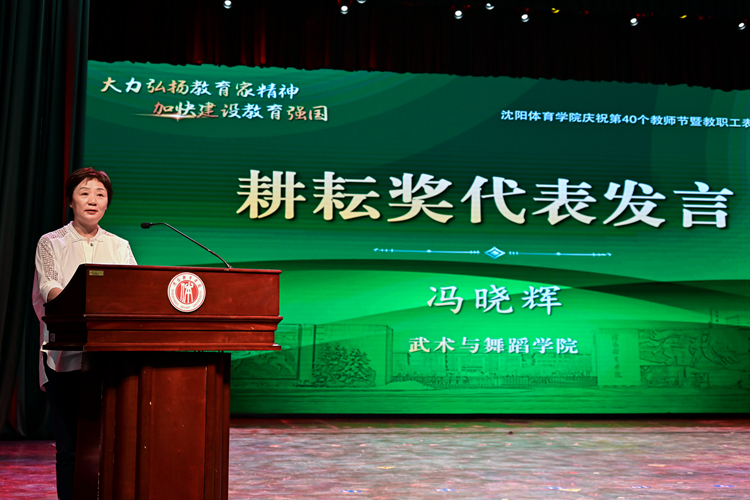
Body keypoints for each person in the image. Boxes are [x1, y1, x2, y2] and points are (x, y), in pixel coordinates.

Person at [32, 168, 137, 500]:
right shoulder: (51, 242)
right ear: (70, 201)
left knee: (109, 446)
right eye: (84, 192)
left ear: (107, 204)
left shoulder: (120, 246)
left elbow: (135, 290)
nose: (93, 200)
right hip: (63, 357)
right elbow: (50, 288)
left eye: (100, 194)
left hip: (108, 360)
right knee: (70, 448)